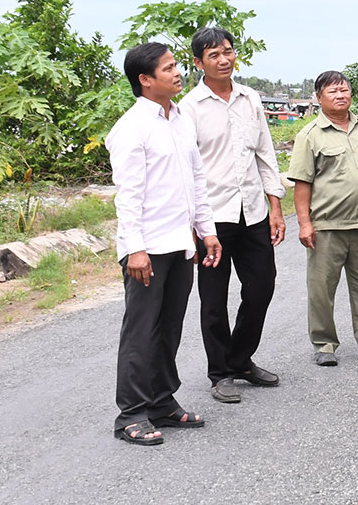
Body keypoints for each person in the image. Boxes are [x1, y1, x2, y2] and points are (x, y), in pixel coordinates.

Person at [106, 42, 222, 446]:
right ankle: (131, 415)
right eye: (168, 67)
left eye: (175, 66)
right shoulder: (131, 128)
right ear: (145, 79)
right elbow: (129, 194)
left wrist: (206, 230)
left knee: (169, 328)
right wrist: (134, 248)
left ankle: (161, 402)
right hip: (147, 248)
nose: (177, 73)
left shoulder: (180, 120)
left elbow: (196, 182)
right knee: (141, 330)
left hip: (179, 243)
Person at [179, 27, 286, 404]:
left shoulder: (250, 98)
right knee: (213, 297)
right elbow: (187, 168)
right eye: (213, 55)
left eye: (227, 51)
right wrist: (194, 224)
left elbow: (265, 154)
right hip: (212, 217)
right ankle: (220, 371)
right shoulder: (189, 107)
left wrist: (275, 206)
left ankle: (239, 359)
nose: (223, 60)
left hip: (253, 210)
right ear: (198, 62)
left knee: (262, 286)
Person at [288, 70, 358, 368]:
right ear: (319, 98)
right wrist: (304, 223)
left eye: (344, 90)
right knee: (322, 289)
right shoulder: (310, 135)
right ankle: (324, 345)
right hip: (326, 226)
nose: (340, 95)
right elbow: (302, 183)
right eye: (332, 91)